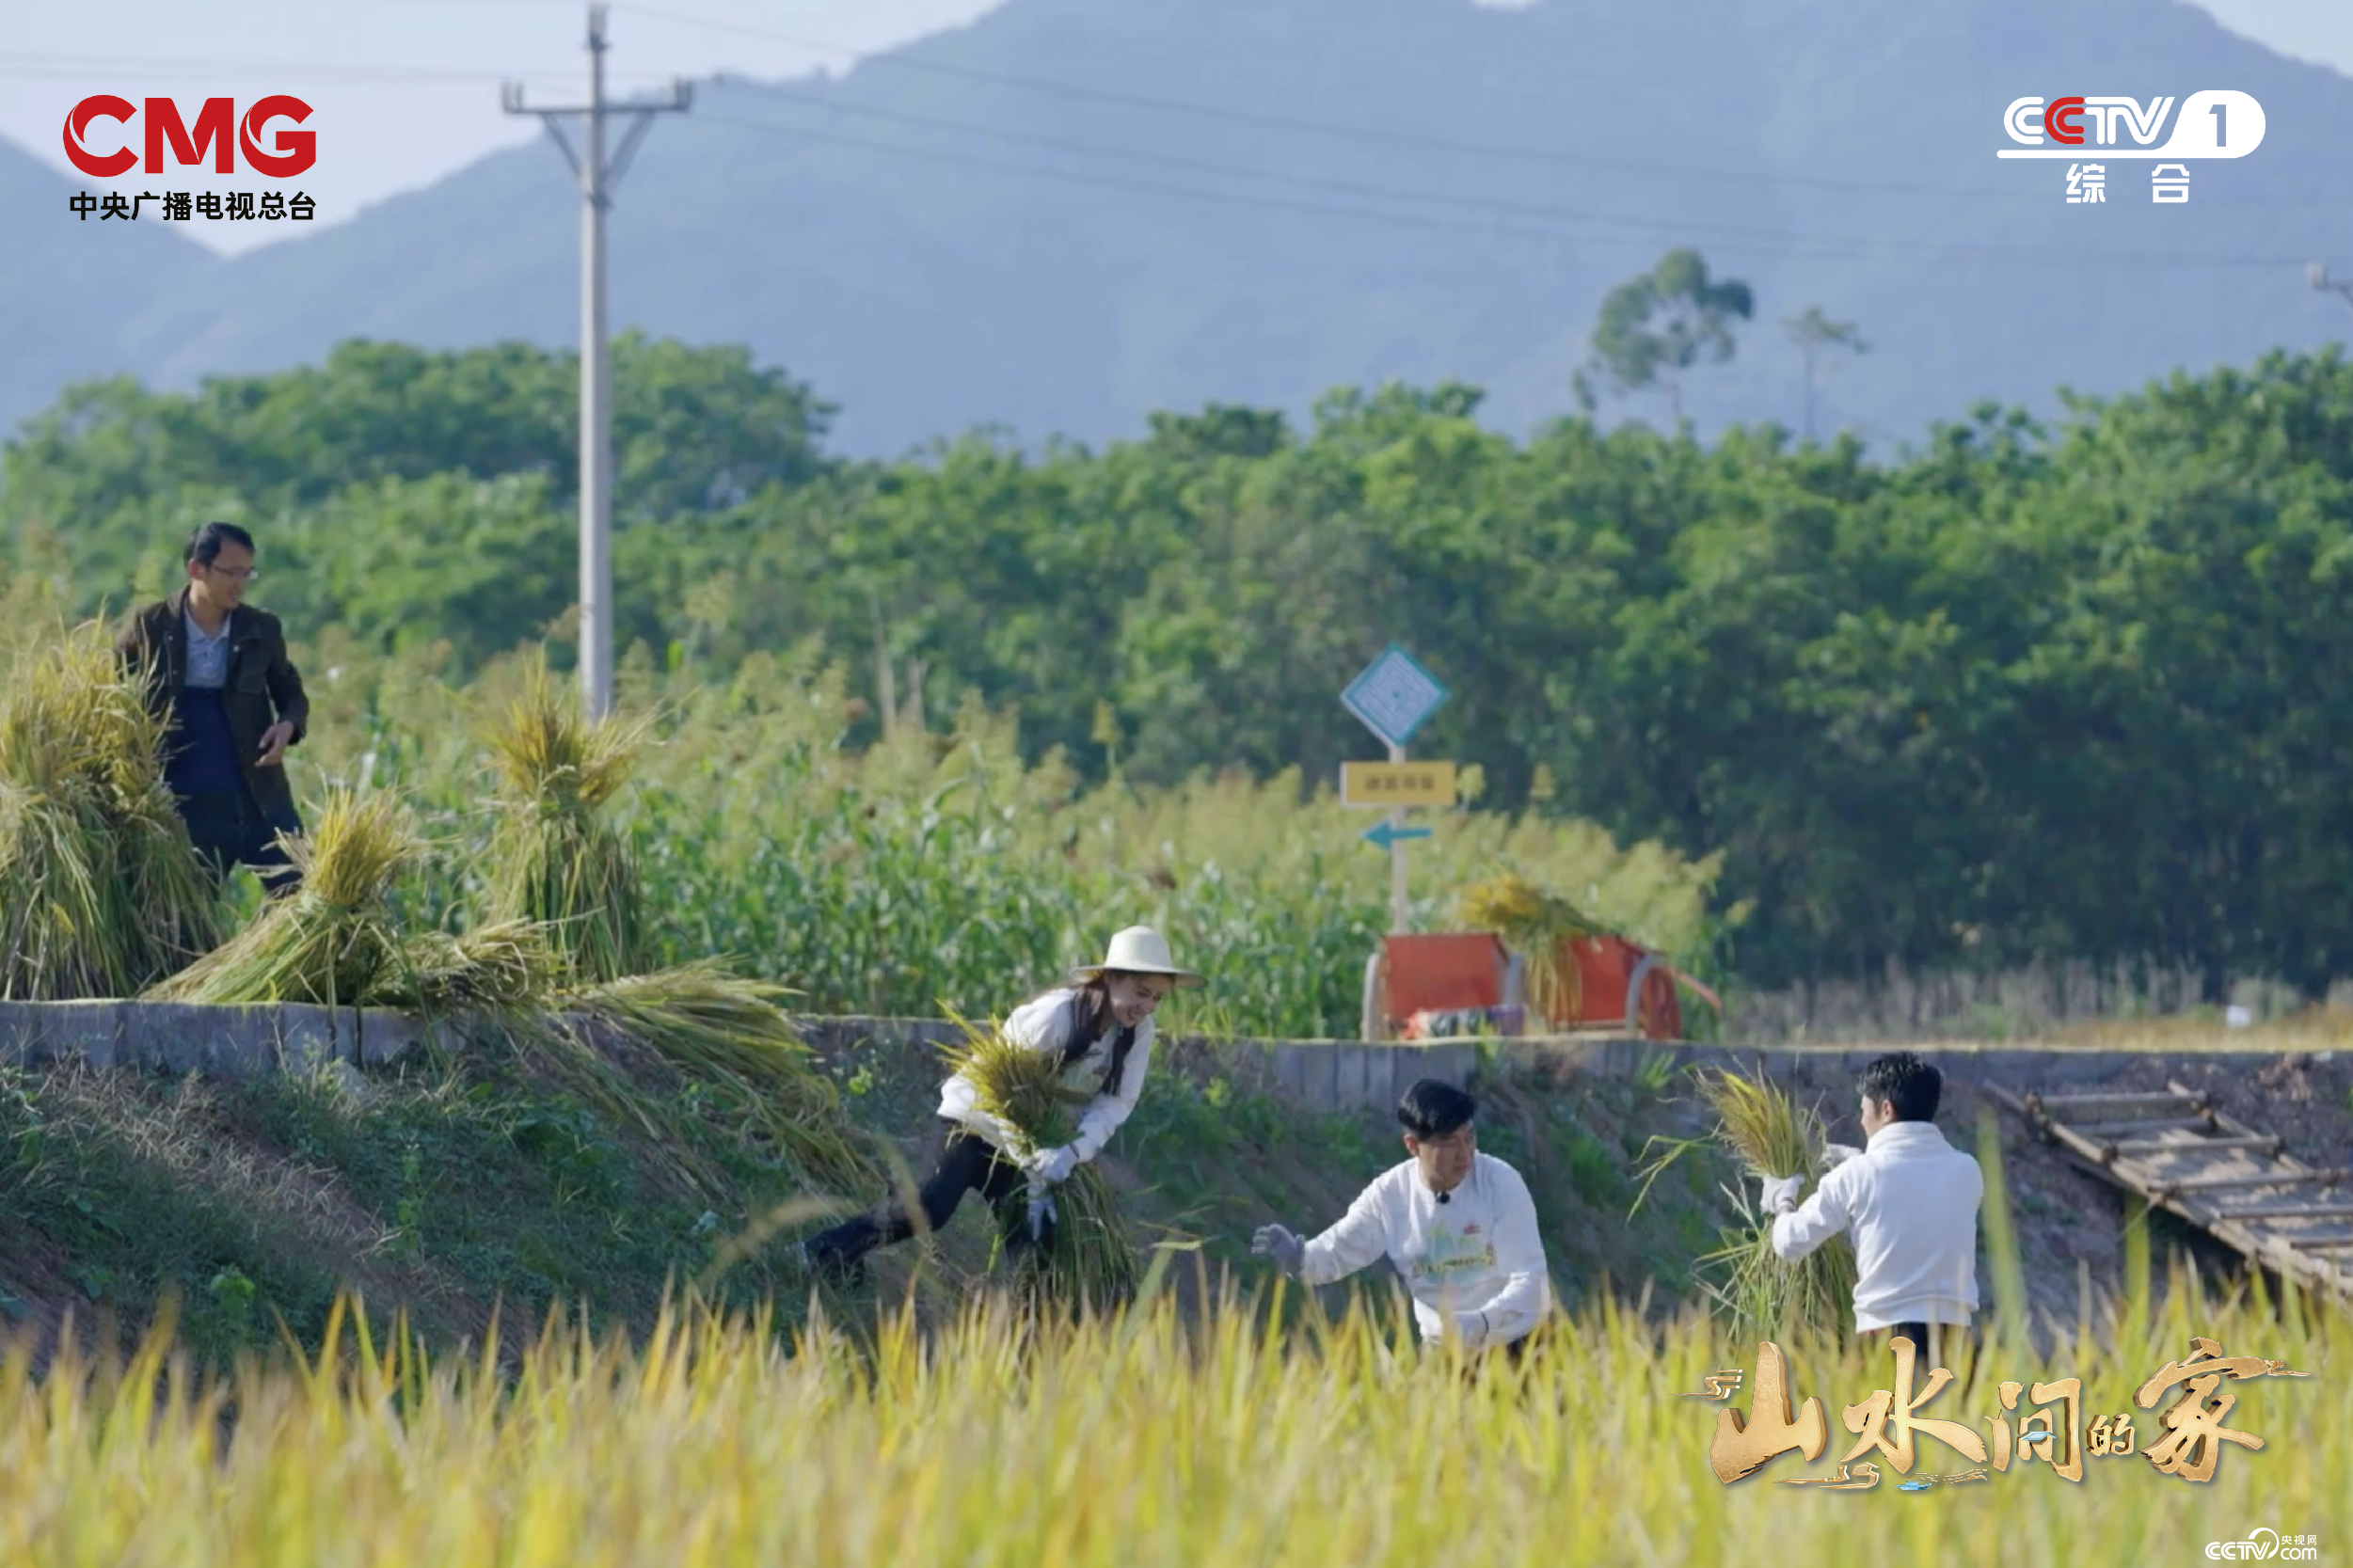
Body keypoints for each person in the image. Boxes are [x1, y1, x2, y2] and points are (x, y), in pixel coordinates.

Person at [801, 926, 1202, 1282]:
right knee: (929, 1209)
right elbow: (1002, 1092)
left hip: (1035, 1145)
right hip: (976, 1122)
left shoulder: (1138, 1033)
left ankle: (1028, 1344)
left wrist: (1070, 1152)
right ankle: (825, 1252)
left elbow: (1116, 1103)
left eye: (1157, 999)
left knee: (1038, 1244)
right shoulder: (1056, 1016)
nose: (1147, 1007)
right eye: (1141, 993)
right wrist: (1030, 1157)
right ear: (1112, 978)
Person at [1251, 1079, 1551, 1356]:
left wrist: (1481, 1322)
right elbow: (1340, 1249)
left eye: (1469, 1138)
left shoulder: (1500, 1183)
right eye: (1449, 1143)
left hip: (1517, 1345)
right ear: (1412, 1145)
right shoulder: (1390, 1195)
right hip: (1443, 1351)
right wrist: (1299, 1259)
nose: (1464, 1154)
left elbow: (1530, 1280)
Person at [115, 522, 310, 895]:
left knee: (307, 897)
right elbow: (103, 686)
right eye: (231, 572)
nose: (241, 582)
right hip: (184, 808)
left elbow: (292, 695)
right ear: (196, 569)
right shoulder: (152, 625)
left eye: (247, 572)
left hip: (260, 801)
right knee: (189, 925)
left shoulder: (263, 629)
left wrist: (288, 725)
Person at [1757, 1051, 1982, 1365]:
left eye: (1864, 1109)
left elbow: (1789, 1243)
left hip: (1888, 1341)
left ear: (1886, 1109)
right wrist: (1858, 1159)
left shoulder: (1855, 1175)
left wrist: (1782, 1198)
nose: (1862, 1119)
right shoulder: (1967, 1170)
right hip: (1957, 1345)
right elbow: (1909, 1186)